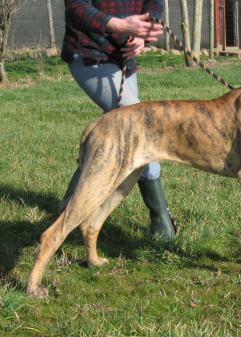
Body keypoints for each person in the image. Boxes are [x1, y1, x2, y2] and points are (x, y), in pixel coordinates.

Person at [60, 0, 176, 239]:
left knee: (114, 140)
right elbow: (76, 9)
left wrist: (143, 31)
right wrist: (121, 25)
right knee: (141, 132)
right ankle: (161, 222)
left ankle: (68, 209)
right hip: (89, 55)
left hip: (123, 59)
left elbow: (154, 4)